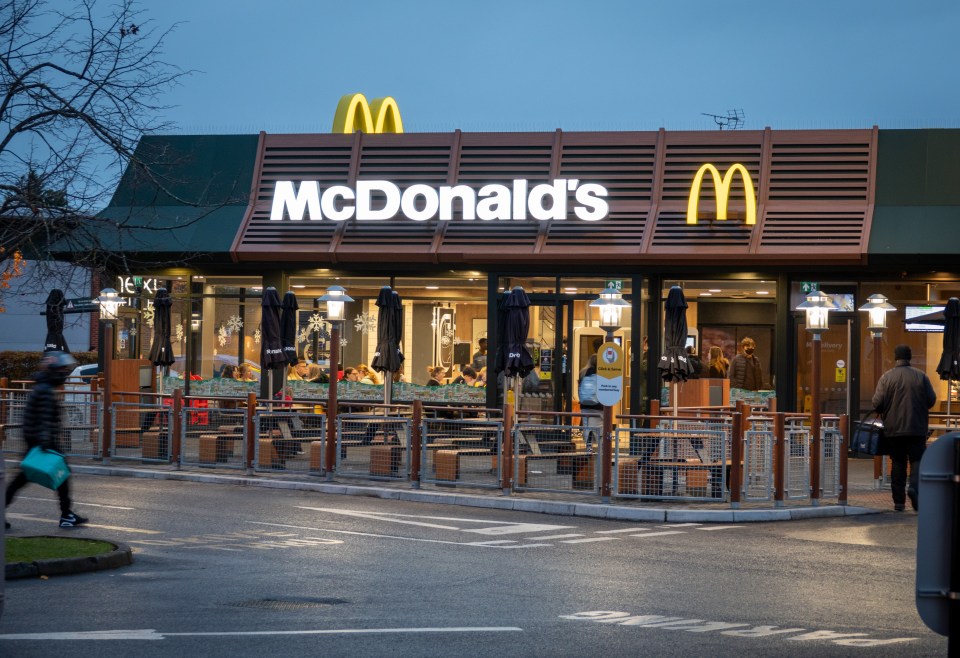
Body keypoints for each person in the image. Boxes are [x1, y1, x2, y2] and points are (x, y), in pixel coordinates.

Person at [5, 351, 88, 529]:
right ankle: (66, 515)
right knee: (28, 479)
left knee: (25, 479)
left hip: (37, 441)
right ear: (54, 370)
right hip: (42, 443)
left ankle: (67, 514)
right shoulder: (45, 391)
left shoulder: (43, 387)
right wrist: (46, 443)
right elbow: (43, 419)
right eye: (62, 369)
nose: (64, 373)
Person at [872, 344, 936, 512]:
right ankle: (915, 489)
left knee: (898, 463)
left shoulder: (887, 377)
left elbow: (877, 403)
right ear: (910, 357)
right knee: (917, 461)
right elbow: (931, 400)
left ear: (895, 357)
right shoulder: (921, 376)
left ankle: (898, 502)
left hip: (894, 430)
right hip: (917, 428)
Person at [578, 354, 603, 451]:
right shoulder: (601, 373)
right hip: (598, 405)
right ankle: (601, 447)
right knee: (599, 427)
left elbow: (579, 388)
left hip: (585, 405)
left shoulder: (583, 373)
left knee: (587, 425)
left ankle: (588, 447)